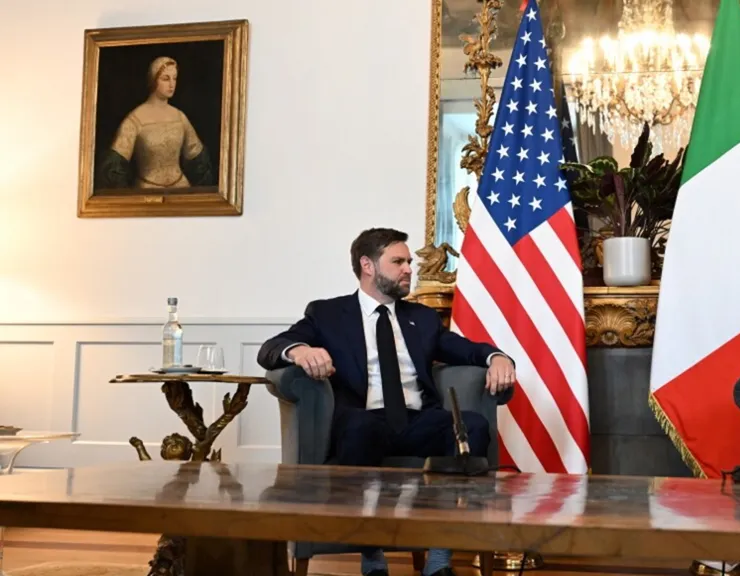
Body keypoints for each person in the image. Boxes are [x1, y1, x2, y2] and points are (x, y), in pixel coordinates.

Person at [257, 227, 517, 576]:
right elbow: (270, 348)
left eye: (409, 261)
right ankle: (372, 557)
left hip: (417, 420)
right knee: (359, 429)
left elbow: (465, 349)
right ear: (367, 265)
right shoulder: (328, 314)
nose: (409, 269)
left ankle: (439, 560)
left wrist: (497, 357)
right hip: (364, 419)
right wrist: (300, 351)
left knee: (473, 426)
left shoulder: (421, 318)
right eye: (398, 262)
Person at [96, 56, 214, 190]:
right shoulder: (136, 119)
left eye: (174, 78)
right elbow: (114, 166)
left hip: (181, 189)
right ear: (153, 80)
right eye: (165, 79)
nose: (172, 84)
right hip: (147, 191)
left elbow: (198, 159)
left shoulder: (179, 117)